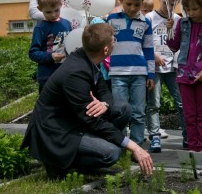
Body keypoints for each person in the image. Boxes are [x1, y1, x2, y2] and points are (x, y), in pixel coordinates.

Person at [21, 23, 153, 179]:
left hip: (73, 120)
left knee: (123, 108)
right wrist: (134, 146)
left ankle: (91, 149)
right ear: (105, 49)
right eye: (113, 40)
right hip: (56, 132)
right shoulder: (75, 74)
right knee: (111, 153)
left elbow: (103, 90)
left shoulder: (86, 57)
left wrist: (105, 105)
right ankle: (59, 163)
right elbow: (93, 121)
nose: (114, 43)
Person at [166, 0, 202, 164]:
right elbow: (174, 46)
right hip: (183, 75)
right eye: (188, 9)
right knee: (189, 115)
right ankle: (192, 149)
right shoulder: (182, 23)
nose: (191, 13)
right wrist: (169, 32)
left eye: (195, 9)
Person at [107, 0, 155, 147]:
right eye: (129, 4)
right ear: (120, 0)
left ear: (143, 1)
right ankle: (121, 145)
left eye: (137, 4)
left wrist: (151, 74)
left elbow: (149, 50)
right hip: (117, 73)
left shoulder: (145, 23)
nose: (133, 8)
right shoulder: (111, 19)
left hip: (139, 74)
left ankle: (137, 145)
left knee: (138, 112)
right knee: (119, 112)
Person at [145, 0, 186, 152]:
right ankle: (154, 136)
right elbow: (144, 42)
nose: (169, 7)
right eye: (166, 3)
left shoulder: (178, 20)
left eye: (173, 5)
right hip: (154, 69)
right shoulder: (149, 18)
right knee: (153, 103)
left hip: (173, 67)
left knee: (182, 103)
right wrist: (153, 55)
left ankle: (188, 135)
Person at [28, 0, 71, 93]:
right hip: (47, 76)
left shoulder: (67, 24)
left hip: (66, 74)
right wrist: (50, 56)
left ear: (61, 4)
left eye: (56, 10)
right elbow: (33, 53)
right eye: (48, 12)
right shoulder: (40, 28)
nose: (53, 15)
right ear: (40, 8)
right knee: (47, 107)